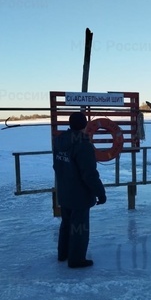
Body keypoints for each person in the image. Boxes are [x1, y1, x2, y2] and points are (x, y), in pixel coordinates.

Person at [52, 112, 106, 268]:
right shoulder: (83, 144)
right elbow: (89, 174)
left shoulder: (60, 140)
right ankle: (76, 259)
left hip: (64, 191)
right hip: (79, 195)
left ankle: (63, 254)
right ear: (85, 125)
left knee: (66, 223)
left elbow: (57, 165)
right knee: (79, 227)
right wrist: (100, 193)